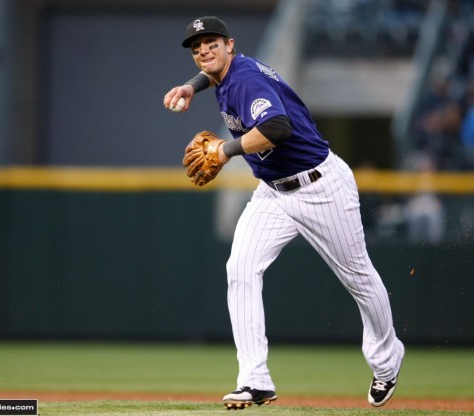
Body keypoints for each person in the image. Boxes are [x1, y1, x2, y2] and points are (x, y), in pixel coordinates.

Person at [164, 16, 405, 410]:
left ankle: (387, 360)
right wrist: (192, 86)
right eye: (196, 47)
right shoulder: (226, 73)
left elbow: (278, 127)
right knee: (240, 268)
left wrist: (224, 151)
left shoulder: (245, 81)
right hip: (273, 192)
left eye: (211, 42)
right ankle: (254, 381)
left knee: (359, 277)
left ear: (230, 44)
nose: (203, 50)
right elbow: (214, 75)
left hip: (320, 187)